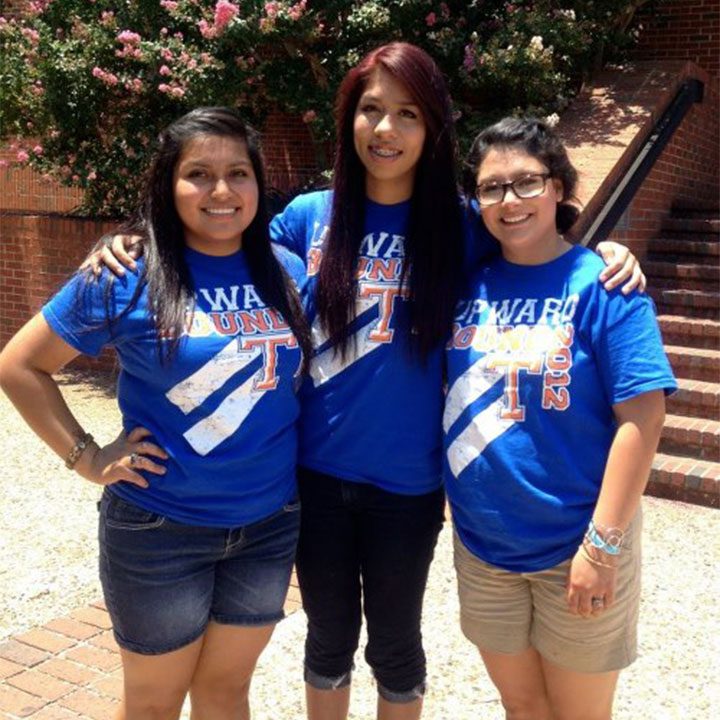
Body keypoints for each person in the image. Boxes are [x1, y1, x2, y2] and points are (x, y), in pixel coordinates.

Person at [85, 44, 645, 720]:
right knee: (326, 640)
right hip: (311, 474)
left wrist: (610, 252)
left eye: (408, 113)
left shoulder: (462, 225)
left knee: (398, 644)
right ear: (349, 119)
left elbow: (542, 253)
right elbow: (213, 224)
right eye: (372, 110)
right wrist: (131, 237)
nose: (387, 130)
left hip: (409, 481)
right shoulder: (306, 218)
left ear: (431, 126)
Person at [0, 107, 313, 720]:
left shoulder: (288, 273)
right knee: (152, 702)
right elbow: (19, 365)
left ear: (258, 183)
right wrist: (85, 456)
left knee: (227, 694)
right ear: (168, 186)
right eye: (199, 173)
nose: (221, 191)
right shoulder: (127, 274)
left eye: (239, 173)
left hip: (269, 524)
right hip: (159, 531)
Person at [445, 116, 677, 720]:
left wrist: (602, 548)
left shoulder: (604, 286)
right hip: (483, 549)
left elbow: (643, 420)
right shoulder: (463, 284)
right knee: (522, 706)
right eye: (491, 187)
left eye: (527, 182)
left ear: (559, 188)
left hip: (575, 545)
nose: (509, 200)